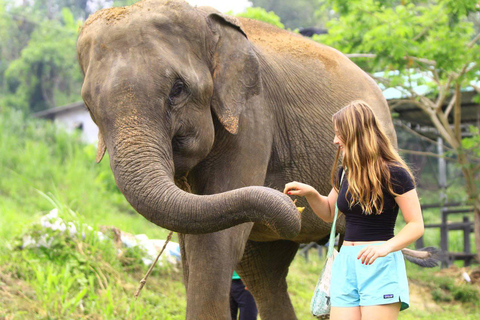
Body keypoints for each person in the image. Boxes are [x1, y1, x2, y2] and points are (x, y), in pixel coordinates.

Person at [284, 100, 424, 320]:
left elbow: (416, 225)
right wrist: (311, 193)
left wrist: (385, 248)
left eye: (339, 134)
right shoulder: (345, 172)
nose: (335, 140)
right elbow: (330, 212)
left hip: (379, 263)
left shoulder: (395, 173)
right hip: (346, 263)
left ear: (356, 134)